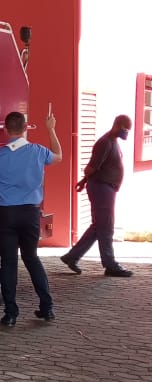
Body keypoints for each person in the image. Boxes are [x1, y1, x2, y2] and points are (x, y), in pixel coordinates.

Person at [0, 109, 62, 327]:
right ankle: (47, 307)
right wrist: (51, 129)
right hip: (31, 214)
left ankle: (10, 314)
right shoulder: (38, 151)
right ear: (25, 128)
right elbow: (58, 156)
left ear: (5, 130)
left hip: (7, 214)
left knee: (8, 262)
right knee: (31, 258)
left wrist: (0, 183)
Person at [60, 114, 133, 278]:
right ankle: (110, 265)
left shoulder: (113, 141)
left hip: (105, 188)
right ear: (117, 125)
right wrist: (85, 179)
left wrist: (83, 181)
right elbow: (91, 168)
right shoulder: (105, 142)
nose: (126, 133)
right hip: (102, 189)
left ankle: (72, 256)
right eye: (125, 129)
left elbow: (98, 168)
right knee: (106, 227)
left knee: (98, 226)